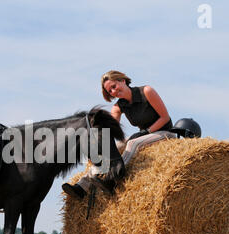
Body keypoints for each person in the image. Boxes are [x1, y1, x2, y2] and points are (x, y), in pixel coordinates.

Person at [62, 70, 176, 199]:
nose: (113, 92)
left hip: (164, 133)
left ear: (122, 81)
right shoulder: (118, 107)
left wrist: (146, 132)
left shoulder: (146, 91)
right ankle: (82, 187)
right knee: (114, 147)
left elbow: (165, 117)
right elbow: (109, 131)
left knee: (133, 143)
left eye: (114, 87)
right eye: (110, 91)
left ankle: (113, 177)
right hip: (144, 136)